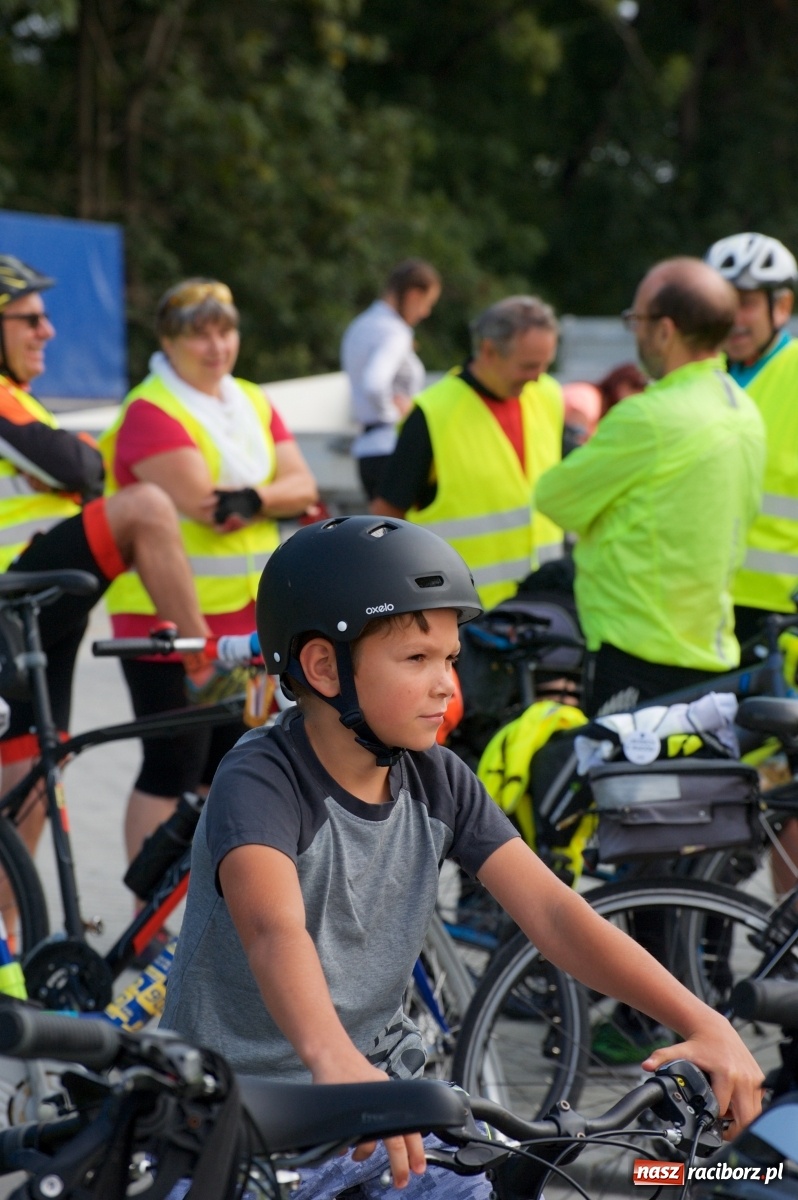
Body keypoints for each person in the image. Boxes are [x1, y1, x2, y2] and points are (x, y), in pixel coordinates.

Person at [161, 516, 762, 1200]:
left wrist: (703, 1022)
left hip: (383, 1114)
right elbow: (274, 929)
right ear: (324, 667)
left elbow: (555, 915)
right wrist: (334, 1061)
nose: (448, 684)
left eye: (450, 659)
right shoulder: (263, 779)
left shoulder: (437, 778)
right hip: (236, 1121)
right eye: (417, 660)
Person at [0, 255, 223, 859]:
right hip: (18, 591)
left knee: (28, 795)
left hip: (40, 603)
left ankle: (13, 946)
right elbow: (80, 468)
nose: (47, 331)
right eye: (29, 320)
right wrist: (79, 456)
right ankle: (203, 664)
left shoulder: (23, 399)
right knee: (146, 506)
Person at [99, 277, 318, 867]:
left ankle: (201, 899)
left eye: (226, 331)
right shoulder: (151, 410)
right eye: (200, 335)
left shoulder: (251, 398)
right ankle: (146, 913)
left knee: (233, 759)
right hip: (167, 618)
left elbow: (307, 485)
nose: (217, 346)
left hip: (246, 617)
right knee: (173, 763)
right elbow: (209, 505)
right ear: (168, 343)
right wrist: (266, 496)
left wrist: (252, 495)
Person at [535, 257, 766, 716]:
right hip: (711, 649)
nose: (634, 332)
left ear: (665, 330)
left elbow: (554, 497)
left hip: (635, 652)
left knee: (617, 783)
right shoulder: (744, 411)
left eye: (636, 320)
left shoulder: (649, 417)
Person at [705, 231, 798, 893]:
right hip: (711, 615)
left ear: (781, 306)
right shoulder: (705, 377)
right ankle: (708, 929)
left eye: (747, 301)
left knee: (791, 785)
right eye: (722, 300)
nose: (734, 315)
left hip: (787, 618)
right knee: (718, 777)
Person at [372, 295, 565, 610]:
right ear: (488, 350)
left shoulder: (548, 396)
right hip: (462, 618)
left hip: (542, 612)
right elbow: (384, 517)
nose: (538, 376)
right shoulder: (434, 413)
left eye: (546, 364)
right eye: (529, 365)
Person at [341, 260, 441, 501]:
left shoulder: (359, 326)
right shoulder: (395, 332)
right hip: (394, 450)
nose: (425, 313)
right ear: (415, 294)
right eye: (426, 303)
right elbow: (375, 383)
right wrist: (396, 418)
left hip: (366, 452)